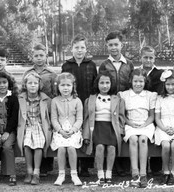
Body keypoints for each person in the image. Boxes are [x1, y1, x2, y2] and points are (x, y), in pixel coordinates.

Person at [61, 35, 98, 177]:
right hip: (71, 104)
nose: (79, 50)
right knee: (72, 130)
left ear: (86, 49)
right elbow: (63, 85)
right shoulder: (67, 65)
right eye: (76, 47)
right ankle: (73, 164)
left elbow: (95, 84)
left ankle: (86, 166)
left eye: (82, 47)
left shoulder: (91, 64)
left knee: (86, 132)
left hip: (87, 102)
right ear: (71, 49)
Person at [98, 31, 134, 177]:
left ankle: (125, 165)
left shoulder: (129, 64)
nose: (114, 47)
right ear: (107, 46)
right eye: (110, 45)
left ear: (121, 45)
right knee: (112, 130)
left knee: (124, 129)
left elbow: (132, 83)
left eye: (116, 44)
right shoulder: (104, 65)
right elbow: (101, 83)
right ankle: (111, 166)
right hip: (110, 103)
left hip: (126, 102)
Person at [82, 71, 126, 185]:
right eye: (102, 83)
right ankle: (100, 173)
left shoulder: (117, 99)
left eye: (107, 82)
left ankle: (109, 173)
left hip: (112, 127)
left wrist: (120, 131)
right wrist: (86, 135)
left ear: (111, 84)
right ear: (97, 84)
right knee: (100, 147)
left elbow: (121, 117)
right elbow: (87, 118)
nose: (105, 85)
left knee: (111, 148)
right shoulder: (91, 99)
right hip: (96, 127)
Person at [118, 68, 157, 188]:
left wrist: (145, 124)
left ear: (145, 82)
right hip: (131, 124)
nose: (138, 84)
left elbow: (152, 116)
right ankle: (135, 173)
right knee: (134, 139)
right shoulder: (124, 95)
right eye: (135, 81)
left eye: (141, 81)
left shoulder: (150, 95)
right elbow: (122, 115)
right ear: (131, 81)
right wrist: (129, 123)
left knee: (143, 139)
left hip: (146, 124)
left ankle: (143, 173)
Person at [23, 44, 57, 176]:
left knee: (46, 134)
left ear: (46, 56)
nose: (39, 58)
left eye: (41, 55)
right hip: (32, 108)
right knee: (33, 137)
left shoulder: (51, 74)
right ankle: (32, 166)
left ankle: (45, 167)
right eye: (36, 56)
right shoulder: (28, 73)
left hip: (46, 108)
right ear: (32, 57)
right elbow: (23, 90)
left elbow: (55, 93)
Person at [16, 72, 52, 185]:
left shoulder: (46, 99)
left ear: (39, 85)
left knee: (38, 144)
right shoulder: (20, 98)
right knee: (26, 144)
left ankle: (36, 173)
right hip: (26, 126)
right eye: (30, 83)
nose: (32, 85)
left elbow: (50, 115)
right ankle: (29, 171)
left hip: (40, 126)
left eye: (35, 83)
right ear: (25, 85)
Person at [50, 73, 84, 186]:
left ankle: (74, 174)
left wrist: (73, 130)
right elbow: (54, 119)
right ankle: (61, 174)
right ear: (57, 87)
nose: (65, 88)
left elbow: (79, 119)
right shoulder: (54, 101)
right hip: (60, 131)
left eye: (68, 85)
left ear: (73, 86)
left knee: (70, 147)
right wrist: (60, 130)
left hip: (73, 131)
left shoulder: (77, 101)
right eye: (62, 85)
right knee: (61, 148)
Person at [139, 46, 164, 176]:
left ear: (154, 58)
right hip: (140, 109)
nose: (148, 60)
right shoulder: (137, 73)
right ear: (141, 58)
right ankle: (140, 165)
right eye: (145, 57)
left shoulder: (160, 74)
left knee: (155, 135)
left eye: (151, 57)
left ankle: (156, 167)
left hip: (155, 109)